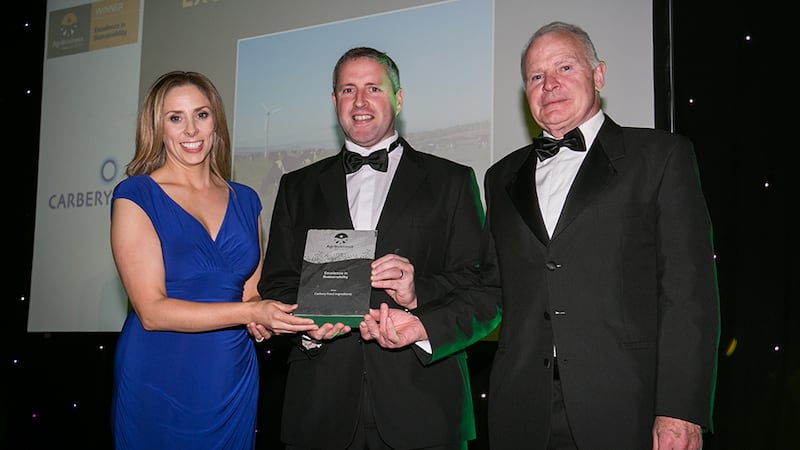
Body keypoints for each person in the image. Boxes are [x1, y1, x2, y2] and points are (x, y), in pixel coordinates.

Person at [479, 21, 720, 449]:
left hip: (629, 409)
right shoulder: (500, 177)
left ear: (599, 75)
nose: (549, 84)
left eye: (565, 68)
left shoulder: (661, 157)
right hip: (520, 412)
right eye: (536, 76)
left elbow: (690, 294)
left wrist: (681, 410)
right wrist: (419, 307)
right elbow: (491, 289)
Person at [254, 47, 500, 450]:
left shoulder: (451, 181)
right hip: (319, 409)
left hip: (426, 407)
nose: (360, 101)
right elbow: (278, 285)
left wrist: (419, 293)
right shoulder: (296, 187)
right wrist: (309, 329)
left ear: (399, 99)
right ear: (334, 102)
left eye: (373, 88)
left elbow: (482, 290)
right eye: (348, 90)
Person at [109, 70, 317, 449]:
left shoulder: (246, 199)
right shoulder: (136, 195)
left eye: (201, 115)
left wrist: (278, 317)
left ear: (215, 121)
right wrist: (251, 314)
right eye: (176, 118)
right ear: (157, 127)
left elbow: (251, 295)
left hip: (229, 374)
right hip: (159, 373)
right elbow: (152, 312)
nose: (191, 130)